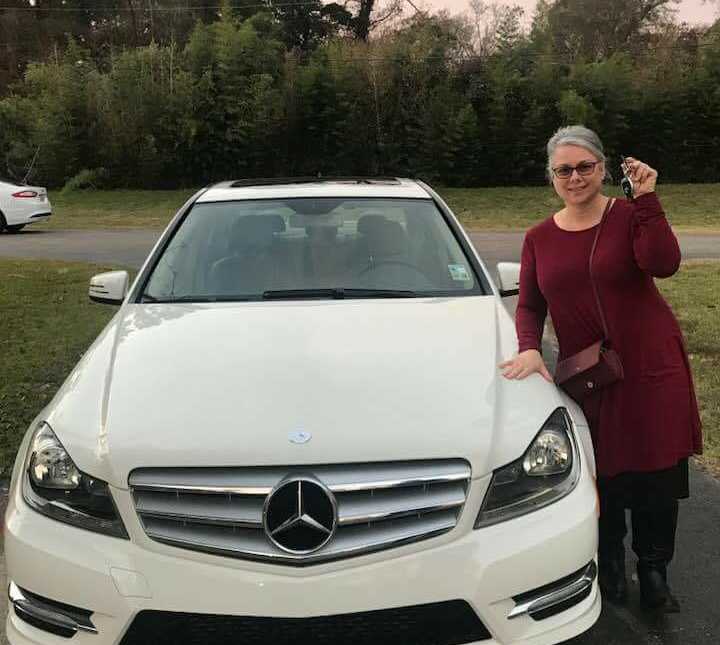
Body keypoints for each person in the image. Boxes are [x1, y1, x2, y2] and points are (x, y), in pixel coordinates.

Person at [498, 125, 703, 611]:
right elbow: (529, 306)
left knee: (656, 474)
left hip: (650, 364)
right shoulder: (538, 238)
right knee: (602, 474)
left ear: (603, 168)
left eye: (585, 166)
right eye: (564, 170)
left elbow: (664, 262)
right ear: (551, 177)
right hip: (589, 375)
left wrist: (648, 199)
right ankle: (608, 562)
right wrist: (530, 347)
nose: (575, 177)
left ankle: (654, 570)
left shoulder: (631, 215)